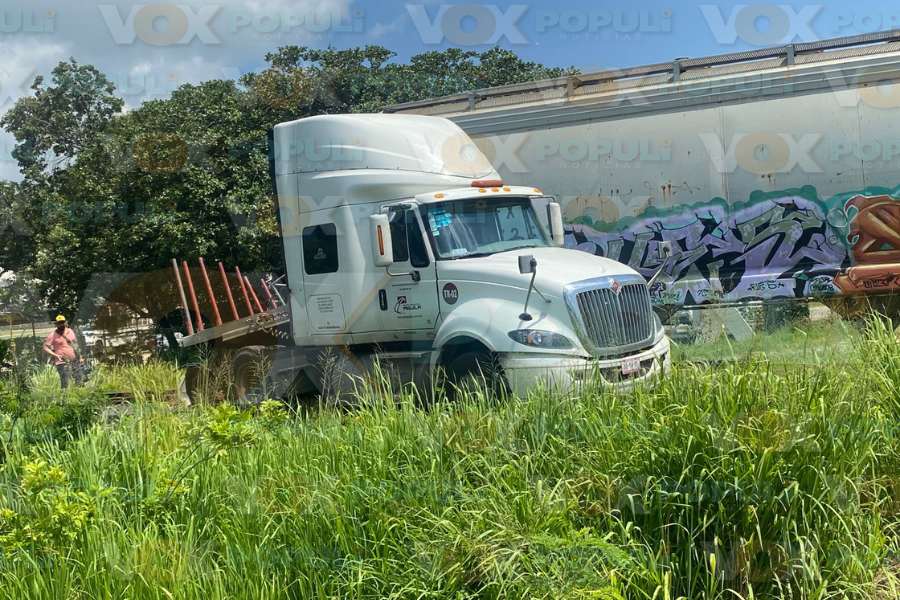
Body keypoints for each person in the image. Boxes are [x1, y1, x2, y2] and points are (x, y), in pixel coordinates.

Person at [43, 315, 81, 389]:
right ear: (56, 324)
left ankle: (78, 393)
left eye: (62, 322)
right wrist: (55, 355)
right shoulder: (52, 335)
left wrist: (80, 356)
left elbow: (75, 343)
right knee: (65, 382)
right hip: (61, 361)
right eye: (59, 323)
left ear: (65, 322)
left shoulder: (70, 331)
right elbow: (45, 347)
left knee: (78, 380)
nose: (61, 324)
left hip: (74, 360)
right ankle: (64, 395)